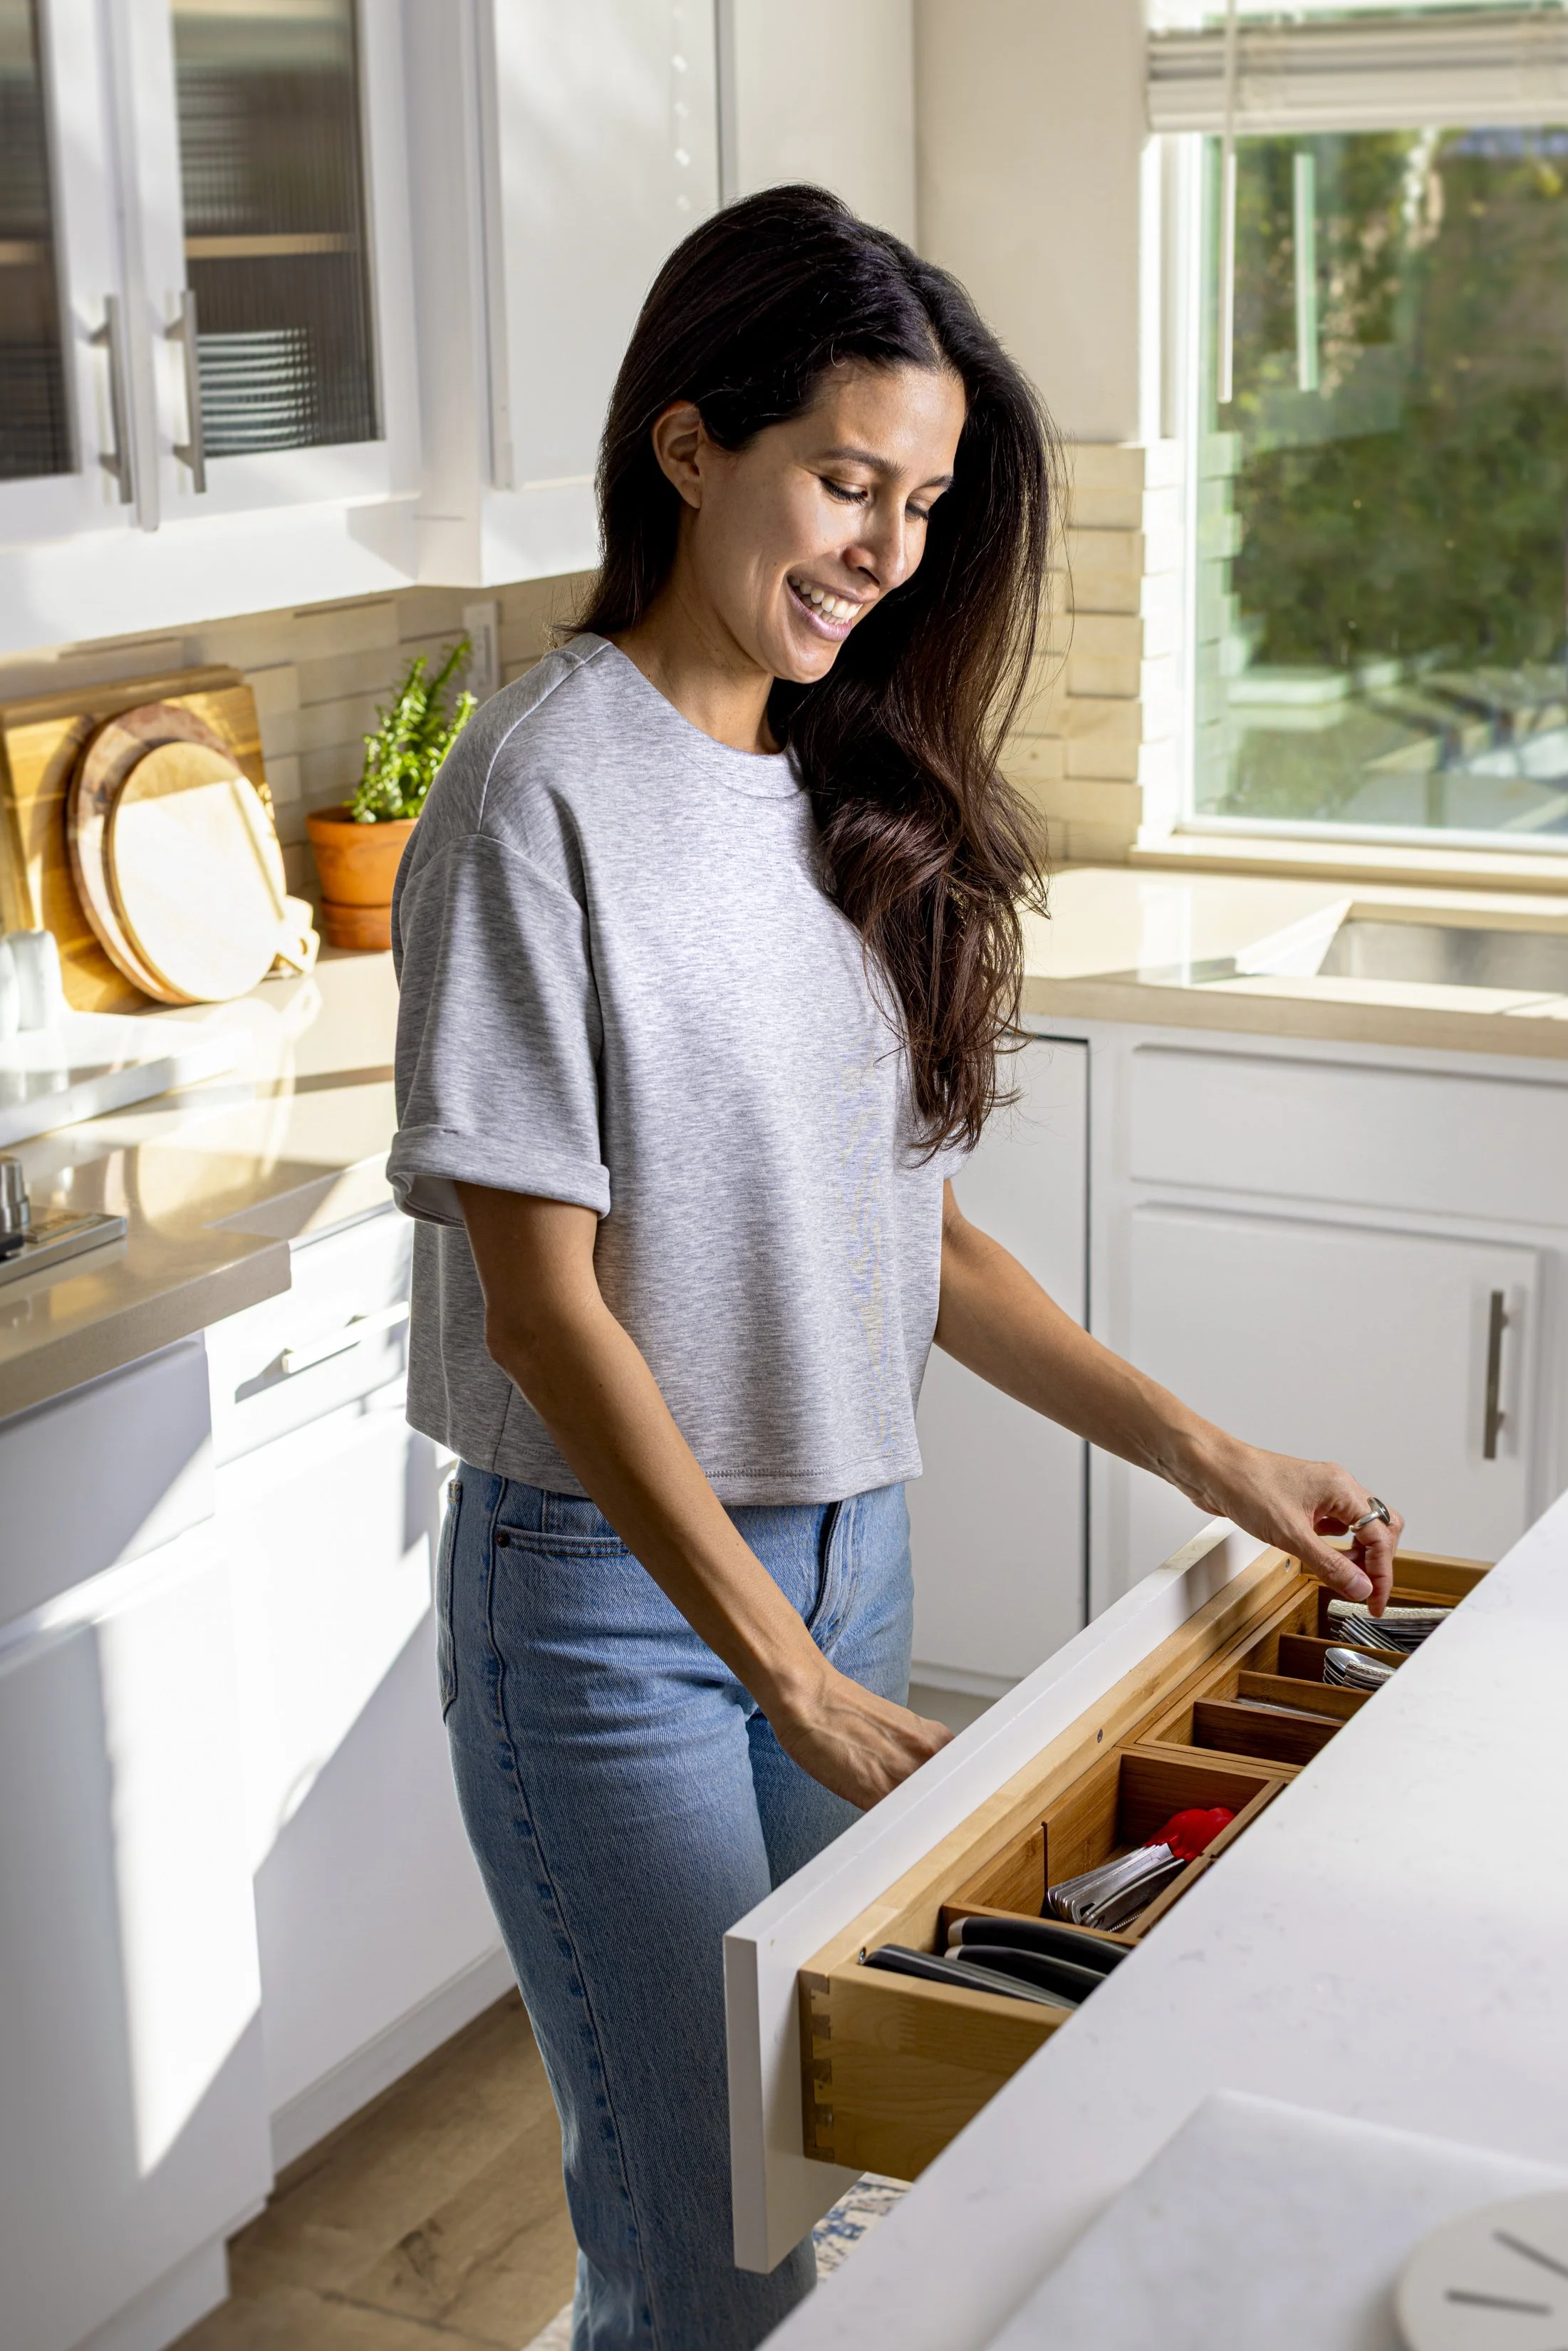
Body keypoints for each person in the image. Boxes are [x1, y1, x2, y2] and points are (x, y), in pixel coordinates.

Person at [388, 185, 1402, 2351]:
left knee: (821, 2164)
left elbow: (918, 1237)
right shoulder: (536, 791)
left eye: (924, 505)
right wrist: (791, 1677)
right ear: (688, 445)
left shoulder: (841, 789)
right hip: (615, 1618)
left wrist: (1215, 1458)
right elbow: (543, 1308)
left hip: (851, 1552)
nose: (886, 549)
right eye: (849, 482)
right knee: (707, 2241)